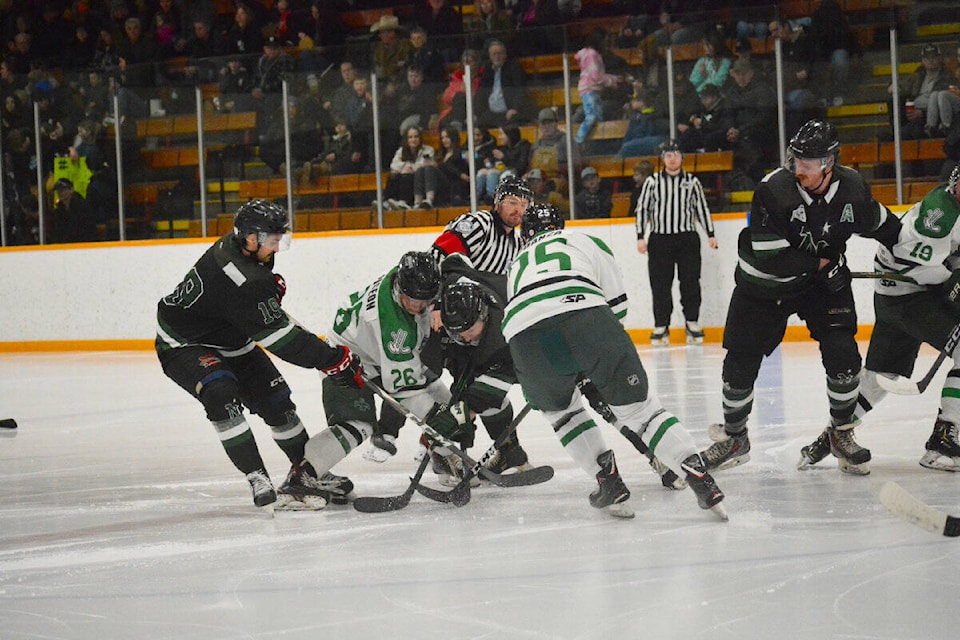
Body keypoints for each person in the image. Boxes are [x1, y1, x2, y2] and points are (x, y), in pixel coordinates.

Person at [698, 120, 901, 476]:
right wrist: (824, 264)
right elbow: (768, 252)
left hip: (819, 285)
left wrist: (926, 255)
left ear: (829, 163)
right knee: (739, 365)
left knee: (844, 355)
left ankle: (840, 433)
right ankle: (734, 438)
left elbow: (886, 227)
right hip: (763, 285)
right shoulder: (772, 189)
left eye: (807, 163)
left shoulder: (852, 187)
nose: (797, 168)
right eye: (794, 159)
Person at [503, 203, 727, 519]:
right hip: (587, 318)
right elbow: (616, 307)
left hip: (525, 337)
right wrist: (594, 356)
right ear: (559, 226)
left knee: (564, 414)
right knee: (642, 412)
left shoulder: (515, 264)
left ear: (524, 236)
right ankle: (701, 478)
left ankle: (609, 482)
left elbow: (525, 315)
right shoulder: (583, 240)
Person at [155, 200, 364, 509]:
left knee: (278, 402)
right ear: (251, 238)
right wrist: (333, 359)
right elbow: (283, 341)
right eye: (272, 240)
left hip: (231, 337)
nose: (277, 247)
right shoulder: (243, 277)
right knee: (221, 394)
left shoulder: (244, 252)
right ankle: (256, 474)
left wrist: (265, 297)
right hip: (185, 344)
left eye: (280, 239)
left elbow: (249, 305)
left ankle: (307, 472)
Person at [276, 252, 473, 508]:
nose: (417, 306)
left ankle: (444, 455)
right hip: (349, 356)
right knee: (358, 424)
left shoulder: (410, 278)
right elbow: (405, 390)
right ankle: (301, 478)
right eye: (411, 299)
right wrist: (439, 419)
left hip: (376, 349)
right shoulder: (395, 329)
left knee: (438, 392)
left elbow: (453, 263)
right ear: (401, 288)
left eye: (424, 300)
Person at [361, 177, 535, 463]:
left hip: (475, 327)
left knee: (476, 386)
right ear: (497, 202)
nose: (518, 210)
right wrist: (439, 304)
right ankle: (387, 432)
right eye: (513, 202)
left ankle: (500, 449)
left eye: (524, 205)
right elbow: (436, 257)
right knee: (421, 366)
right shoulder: (477, 225)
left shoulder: (517, 243)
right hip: (443, 315)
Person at [799, 165, 960, 473]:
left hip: (898, 297)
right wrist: (952, 285)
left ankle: (834, 435)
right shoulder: (940, 215)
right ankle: (943, 441)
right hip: (909, 294)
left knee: (881, 374)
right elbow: (912, 264)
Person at [635, 140, 716, 345]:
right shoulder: (652, 182)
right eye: (668, 155)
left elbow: (702, 209)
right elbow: (643, 209)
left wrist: (711, 234)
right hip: (660, 239)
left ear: (682, 158)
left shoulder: (692, 182)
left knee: (690, 282)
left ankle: (692, 321)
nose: (673, 159)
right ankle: (661, 325)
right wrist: (640, 236)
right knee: (660, 284)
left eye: (676, 155)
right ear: (663, 159)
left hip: (687, 238)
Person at [573, 29, 623, 145]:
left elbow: (598, 75)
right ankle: (578, 141)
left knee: (599, 119)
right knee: (591, 117)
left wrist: (614, 78)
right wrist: (611, 82)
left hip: (594, 90)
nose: (607, 44)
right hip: (589, 89)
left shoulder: (592, 54)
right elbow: (596, 76)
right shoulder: (592, 55)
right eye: (605, 41)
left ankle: (597, 144)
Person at [476, 39, 533, 128]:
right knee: (477, 126)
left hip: (509, 112)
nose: (497, 57)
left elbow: (521, 90)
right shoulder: (487, 71)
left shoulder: (514, 68)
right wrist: (477, 112)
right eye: (494, 54)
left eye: (500, 53)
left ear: (505, 55)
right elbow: (481, 93)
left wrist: (515, 108)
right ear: (490, 56)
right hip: (491, 114)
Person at [383, 125, 435, 210]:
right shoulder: (401, 150)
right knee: (393, 174)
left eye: (416, 137)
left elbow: (425, 165)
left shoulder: (428, 150)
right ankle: (387, 201)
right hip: (403, 177)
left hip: (418, 181)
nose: (413, 140)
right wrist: (406, 166)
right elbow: (394, 165)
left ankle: (404, 201)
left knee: (406, 174)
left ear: (420, 138)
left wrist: (410, 167)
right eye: (410, 137)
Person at [51, 178, 98, 244]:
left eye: (62, 190)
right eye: (58, 191)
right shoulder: (59, 211)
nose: (60, 193)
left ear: (71, 190)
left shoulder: (82, 207)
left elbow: (87, 230)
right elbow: (58, 232)